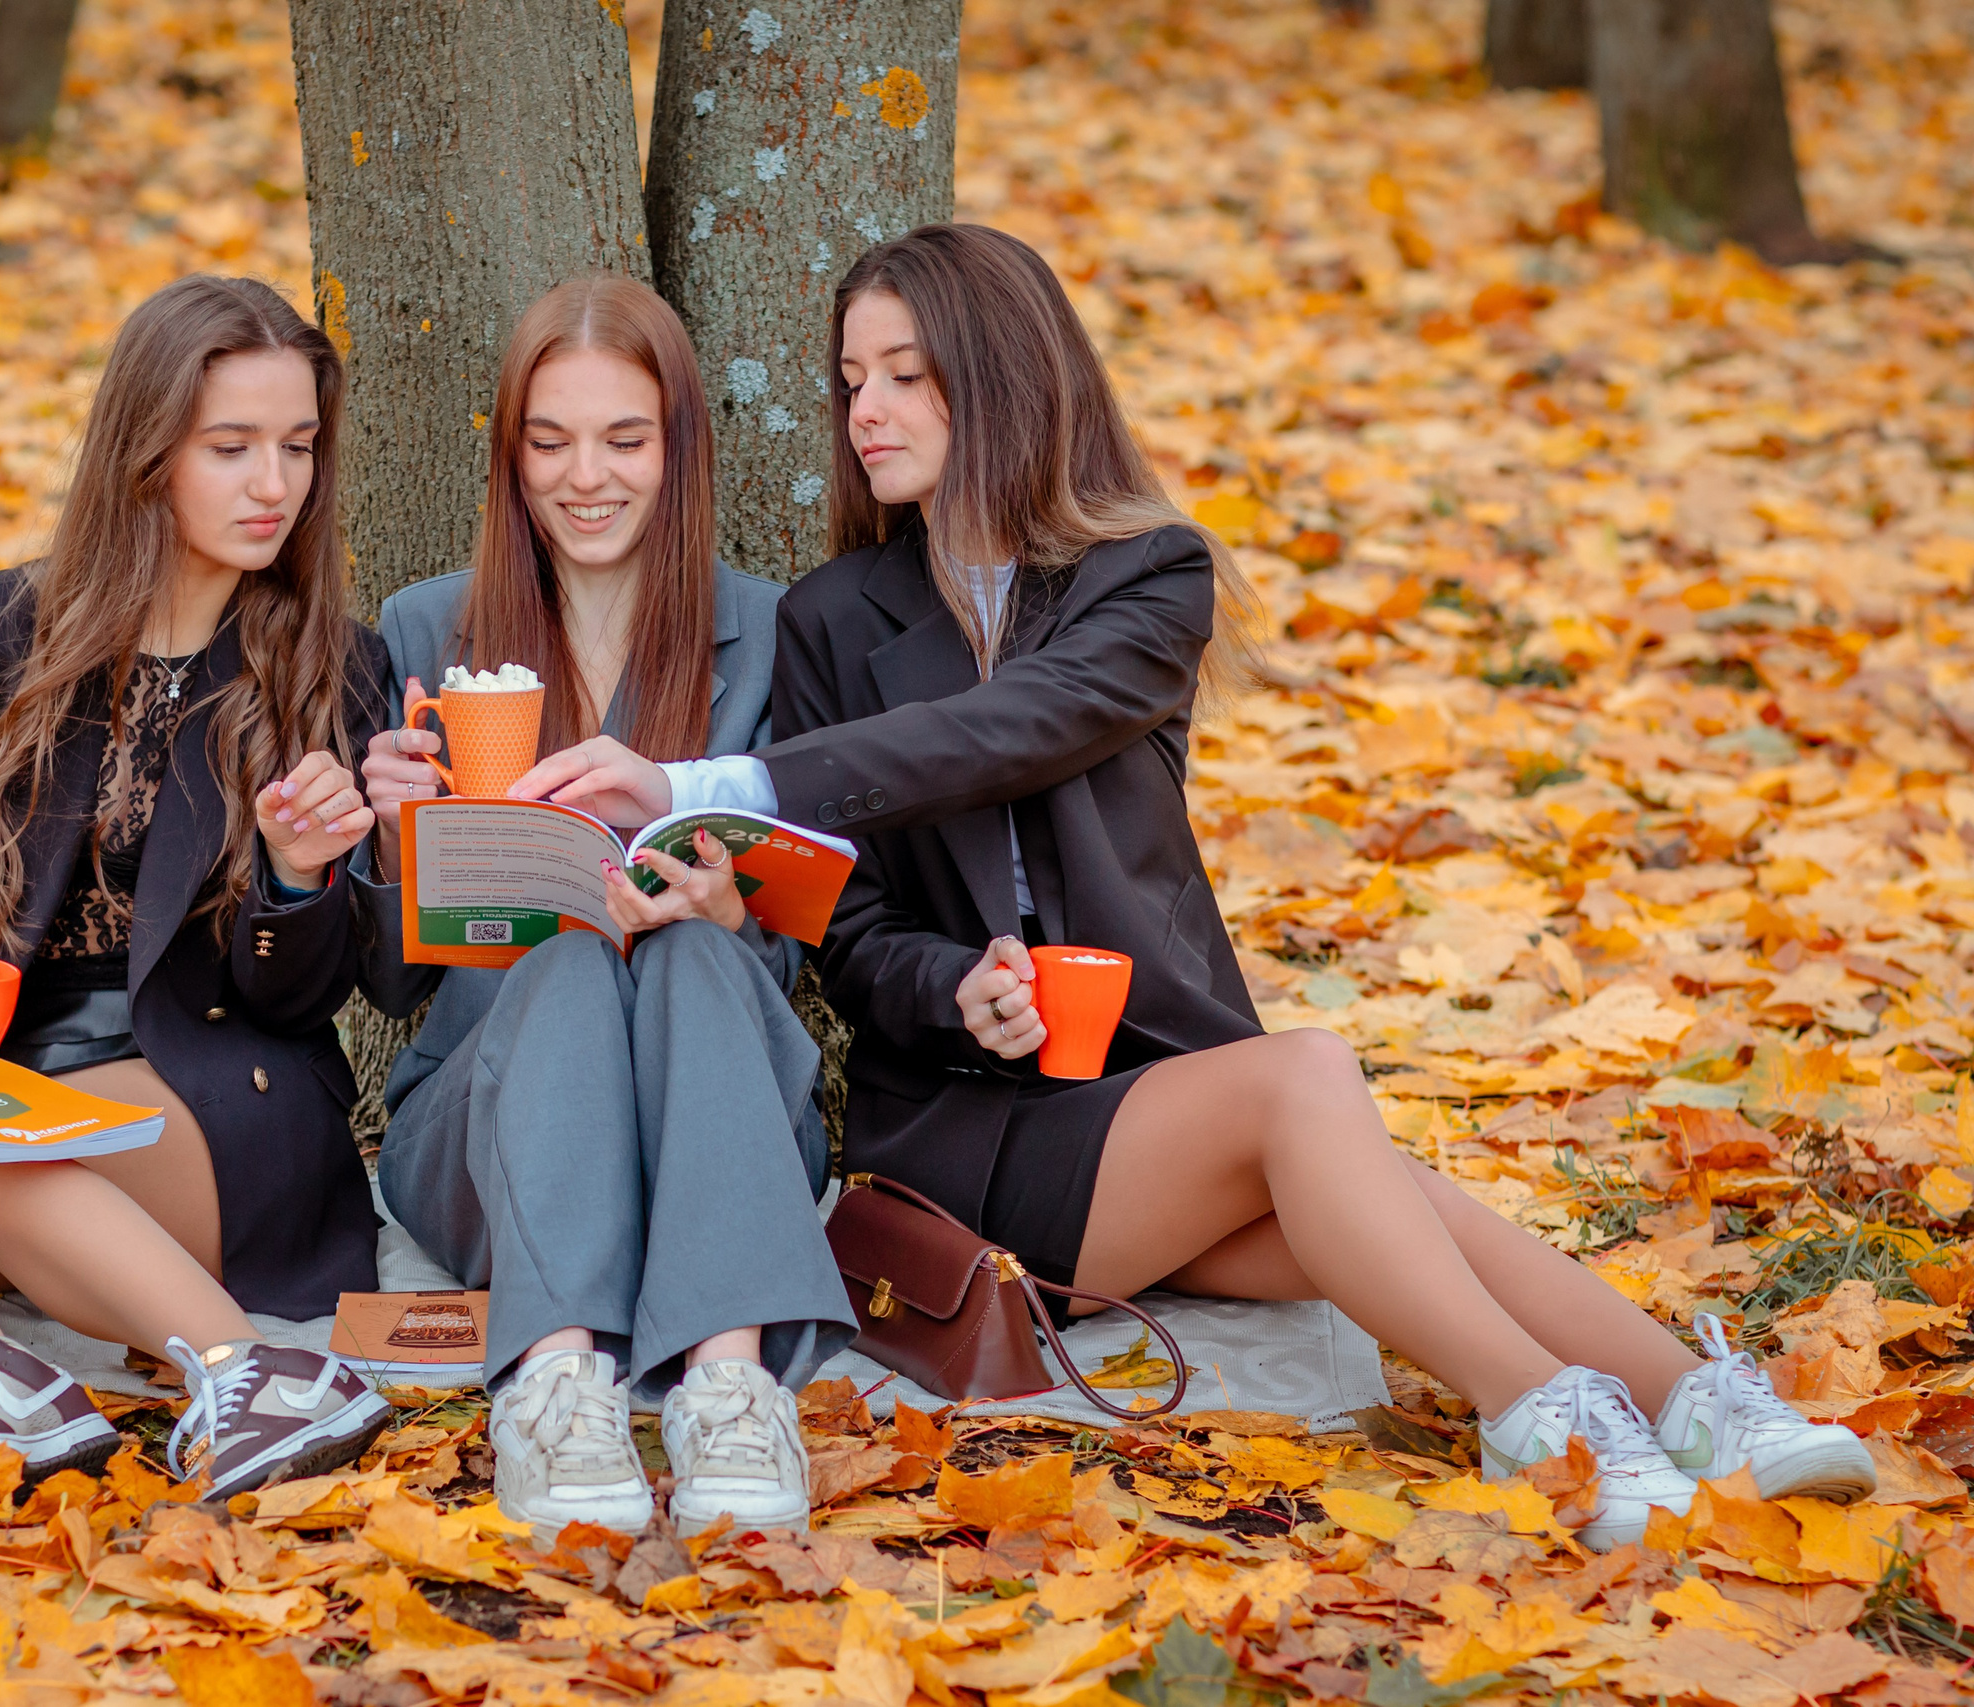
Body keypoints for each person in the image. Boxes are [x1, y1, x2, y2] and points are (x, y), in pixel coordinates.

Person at [513, 225, 1875, 1548]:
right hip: (969, 1137)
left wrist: (718, 780)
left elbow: (1018, 722)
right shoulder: (835, 615)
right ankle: (1548, 1411)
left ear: (1004, 375)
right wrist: (955, 987)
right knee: (1308, 1081)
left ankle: (1693, 1402)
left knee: (1383, 1188)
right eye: (854, 377)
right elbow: (849, 933)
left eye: (908, 372)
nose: (868, 406)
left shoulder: (1147, 578)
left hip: (1157, 1089)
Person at [0, 276, 396, 1498]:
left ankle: (249, 1369)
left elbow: (327, 998)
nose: (275, 484)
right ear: (145, 451)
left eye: (298, 446)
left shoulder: (329, 670)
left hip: (210, 1112)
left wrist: (299, 875)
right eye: (232, 448)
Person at [352, 274, 853, 1533]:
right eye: (550, 441)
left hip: (714, 1123)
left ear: (678, 449)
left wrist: (725, 914)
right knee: (569, 960)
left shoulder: (770, 633)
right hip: (489, 1121)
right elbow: (385, 983)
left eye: (625, 440)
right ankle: (555, 1379)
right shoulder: (422, 632)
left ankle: (728, 1388)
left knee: (690, 959)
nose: (588, 477)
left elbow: (787, 962)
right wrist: (393, 843)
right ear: (510, 457)